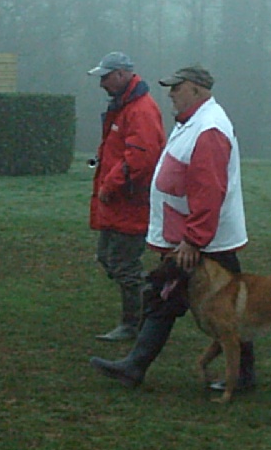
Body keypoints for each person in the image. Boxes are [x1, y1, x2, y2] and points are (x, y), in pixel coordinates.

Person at [90, 64, 256, 393]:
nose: (170, 94)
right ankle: (135, 367)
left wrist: (194, 240)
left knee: (201, 305)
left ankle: (136, 367)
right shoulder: (195, 123)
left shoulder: (208, 128)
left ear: (196, 89)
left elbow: (209, 189)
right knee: (168, 300)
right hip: (197, 238)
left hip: (204, 242)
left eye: (176, 88)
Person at [86, 52, 167, 341]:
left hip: (130, 202)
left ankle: (136, 321)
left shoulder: (140, 110)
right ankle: (151, 305)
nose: (102, 84)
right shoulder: (124, 107)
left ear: (122, 74)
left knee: (123, 264)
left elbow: (141, 159)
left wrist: (110, 184)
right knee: (108, 258)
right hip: (118, 202)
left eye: (105, 77)